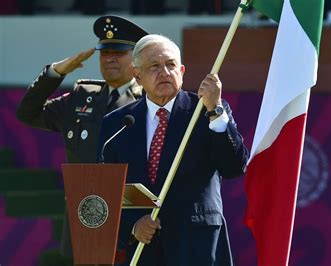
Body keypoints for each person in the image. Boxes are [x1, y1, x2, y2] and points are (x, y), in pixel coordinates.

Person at [97, 34, 249, 265]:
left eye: (170, 65)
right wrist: (132, 226)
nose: (165, 73)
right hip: (145, 249)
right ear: (137, 75)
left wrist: (216, 111)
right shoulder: (117, 123)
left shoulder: (206, 111)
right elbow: (107, 190)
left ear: (182, 71)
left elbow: (234, 167)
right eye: (154, 67)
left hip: (197, 246)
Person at [16, 15, 148, 261]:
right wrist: (55, 72)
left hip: (131, 224)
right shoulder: (82, 96)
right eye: (104, 51)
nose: (109, 58)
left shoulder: (148, 101)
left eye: (119, 52)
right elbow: (27, 113)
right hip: (86, 220)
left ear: (136, 59)